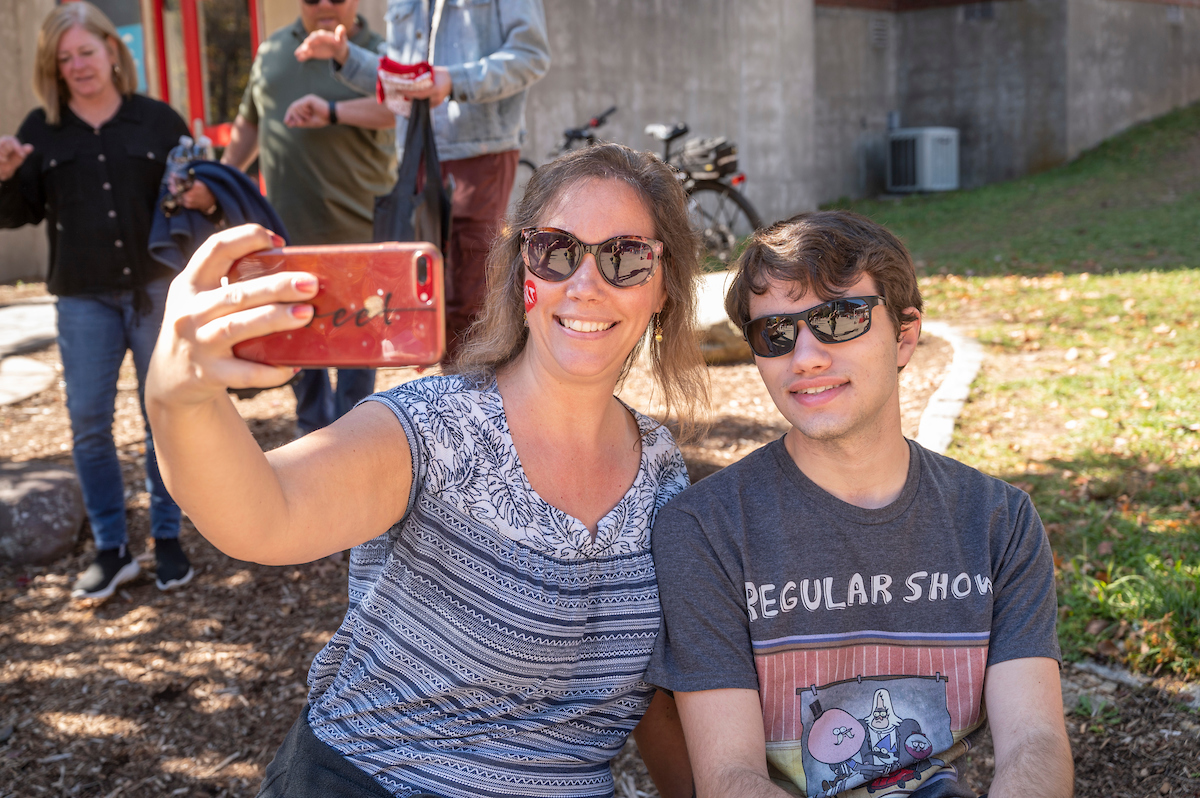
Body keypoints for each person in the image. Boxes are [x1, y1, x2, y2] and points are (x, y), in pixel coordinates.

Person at [145, 143, 708, 797]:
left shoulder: (663, 472)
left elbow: (664, 692)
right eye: (556, 250)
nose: (585, 283)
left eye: (625, 257)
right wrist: (178, 398)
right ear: (520, 269)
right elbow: (266, 513)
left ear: (663, 288)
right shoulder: (432, 429)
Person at [645, 211, 1074, 798]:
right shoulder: (706, 531)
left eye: (838, 319)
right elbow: (730, 778)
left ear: (904, 335)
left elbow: (1036, 743)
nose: (806, 357)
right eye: (776, 334)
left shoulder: (997, 523)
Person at [0, 2, 198, 600]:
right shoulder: (40, 131)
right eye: (65, 58)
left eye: (86, 51)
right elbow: (17, 216)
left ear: (113, 51)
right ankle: (112, 549)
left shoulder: (159, 122)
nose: (78, 65)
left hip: (155, 290)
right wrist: (5, 177)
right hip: (83, 301)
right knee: (89, 424)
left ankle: (167, 541)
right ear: (53, 69)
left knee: (163, 418)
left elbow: (189, 205)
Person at [292, 0, 551, 362]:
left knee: (469, 294)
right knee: (421, 295)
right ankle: (446, 398)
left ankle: (474, 403)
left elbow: (530, 56)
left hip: (478, 150)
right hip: (416, 149)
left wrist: (454, 80)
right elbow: (404, 78)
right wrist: (347, 56)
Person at [187, 0, 396, 437]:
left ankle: (359, 442)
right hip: (286, 233)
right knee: (299, 343)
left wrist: (333, 110)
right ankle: (315, 439)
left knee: (357, 348)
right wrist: (223, 180)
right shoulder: (272, 52)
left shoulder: (378, 51)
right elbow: (250, 123)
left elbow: (399, 109)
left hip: (360, 230)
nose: (324, 5)